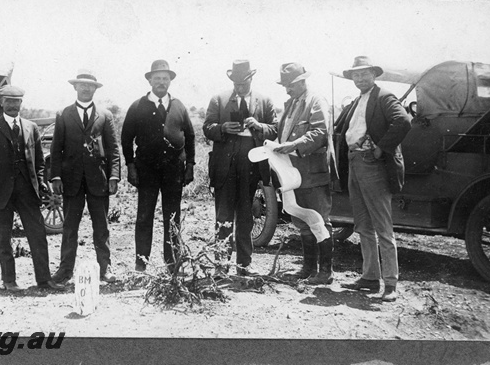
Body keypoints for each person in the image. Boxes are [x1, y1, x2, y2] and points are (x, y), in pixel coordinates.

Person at [334, 56, 412, 302]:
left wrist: (380, 148)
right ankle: (369, 277)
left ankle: (390, 284)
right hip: (355, 163)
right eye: (356, 75)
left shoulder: (384, 97)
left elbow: (403, 121)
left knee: (382, 227)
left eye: (364, 73)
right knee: (363, 225)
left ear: (374, 75)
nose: (360, 78)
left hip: (372, 165)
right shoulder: (357, 100)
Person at [0, 85, 65, 292]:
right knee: (3, 238)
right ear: (1, 103)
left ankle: (44, 280)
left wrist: (40, 182)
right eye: (9, 101)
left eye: (16, 101)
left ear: (21, 103)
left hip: (27, 191)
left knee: (38, 236)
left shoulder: (31, 127)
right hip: (1, 192)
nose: (13, 105)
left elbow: (39, 161)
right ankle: (9, 281)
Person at [203, 60, 276, 276]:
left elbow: (274, 129)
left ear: (251, 79)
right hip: (224, 167)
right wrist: (222, 128)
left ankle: (244, 265)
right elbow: (207, 127)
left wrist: (259, 127)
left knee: (245, 216)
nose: (240, 87)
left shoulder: (264, 101)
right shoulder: (219, 99)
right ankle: (221, 266)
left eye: (243, 83)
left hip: (251, 166)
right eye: (236, 83)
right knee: (223, 216)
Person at [121, 59, 195, 273]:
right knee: (144, 216)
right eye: (157, 78)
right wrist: (131, 166)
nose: (161, 82)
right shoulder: (137, 106)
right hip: (147, 170)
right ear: (150, 81)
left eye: (165, 78)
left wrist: (190, 165)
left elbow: (190, 136)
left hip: (173, 170)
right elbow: (126, 139)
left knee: (172, 217)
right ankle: (141, 263)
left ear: (170, 81)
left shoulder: (179, 106)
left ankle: (173, 264)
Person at [49, 70, 121, 284]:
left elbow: (113, 149)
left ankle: (105, 268)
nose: (86, 88)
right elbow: (56, 149)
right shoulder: (63, 114)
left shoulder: (105, 115)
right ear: (75, 87)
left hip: (98, 180)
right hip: (71, 181)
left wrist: (114, 176)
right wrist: (56, 177)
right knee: (70, 227)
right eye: (82, 85)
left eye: (90, 85)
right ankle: (65, 271)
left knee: (101, 227)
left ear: (95, 89)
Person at [271, 62, 335, 284]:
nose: (287, 90)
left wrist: (294, 145)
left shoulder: (316, 101)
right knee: (301, 221)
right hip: (292, 174)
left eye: (289, 85)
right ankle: (308, 268)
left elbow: (320, 132)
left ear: (301, 82)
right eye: (285, 86)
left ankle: (325, 272)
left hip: (313, 173)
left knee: (319, 219)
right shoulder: (291, 104)